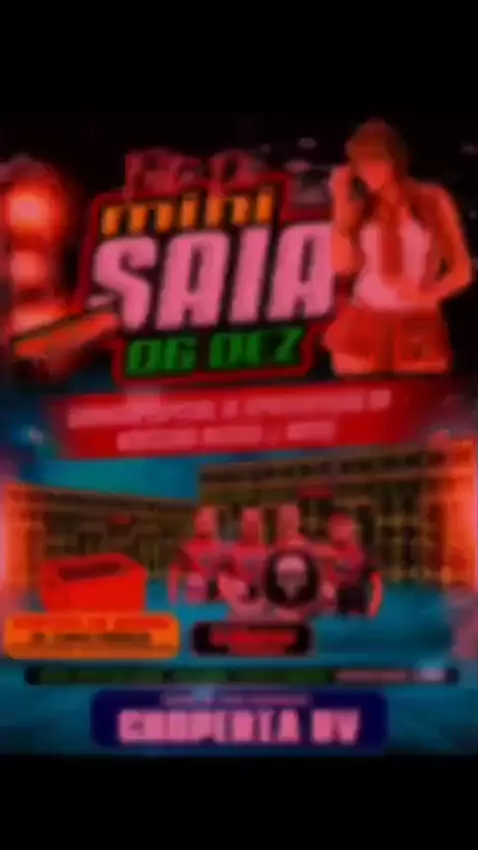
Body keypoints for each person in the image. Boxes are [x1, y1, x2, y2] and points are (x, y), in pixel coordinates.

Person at [324, 119, 472, 375]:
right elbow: (342, 266)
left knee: (418, 395)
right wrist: (340, 205)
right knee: (360, 395)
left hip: (417, 323)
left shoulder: (431, 200)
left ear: (395, 161)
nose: (368, 171)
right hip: (365, 319)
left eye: (376, 161)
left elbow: (462, 271)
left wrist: (428, 295)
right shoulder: (360, 208)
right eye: (361, 164)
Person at [325, 510, 381, 616]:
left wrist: (374, 606)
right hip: (332, 606)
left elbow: (376, 582)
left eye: (343, 526)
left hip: (355, 605)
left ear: (351, 528)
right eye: (335, 526)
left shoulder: (362, 554)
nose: (339, 530)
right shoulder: (323, 553)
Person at [168, 506, 226, 604]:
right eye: (201, 517)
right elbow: (174, 572)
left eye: (209, 518)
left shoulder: (224, 550)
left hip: (219, 599)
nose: (204, 520)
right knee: (195, 581)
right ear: (195, 521)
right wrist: (173, 597)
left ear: (217, 524)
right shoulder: (187, 548)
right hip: (196, 598)